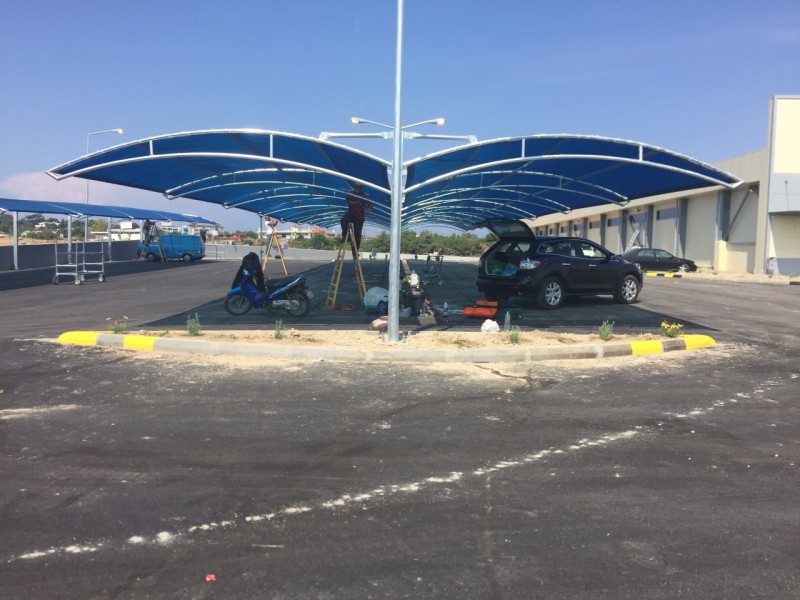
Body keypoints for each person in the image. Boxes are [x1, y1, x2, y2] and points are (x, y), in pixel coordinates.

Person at [340, 183, 372, 250]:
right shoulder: (351, 193)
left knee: (357, 234)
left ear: (361, 188)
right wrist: (355, 203)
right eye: (356, 187)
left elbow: (370, 206)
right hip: (351, 214)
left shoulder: (364, 196)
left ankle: (355, 251)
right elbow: (348, 201)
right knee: (343, 221)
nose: (357, 189)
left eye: (359, 187)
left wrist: (366, 212)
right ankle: (346, 236)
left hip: (359, 217)